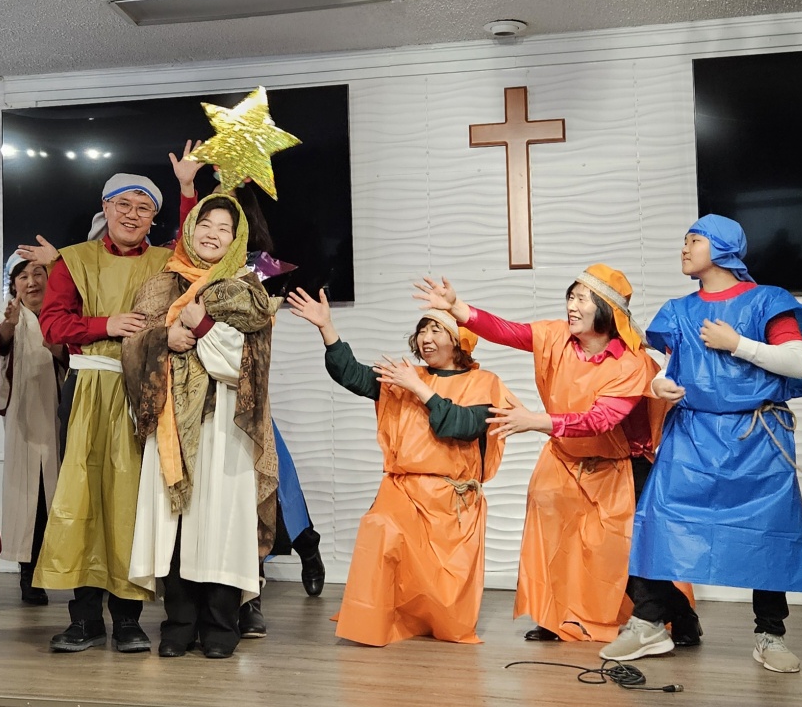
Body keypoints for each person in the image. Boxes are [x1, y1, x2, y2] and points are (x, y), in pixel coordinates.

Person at [602, 215, 802, 673]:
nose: (684, 248)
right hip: (692, 434)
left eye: (694, 240)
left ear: (723, 247)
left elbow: (798, 363)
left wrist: (737, 343)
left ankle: (770, 633)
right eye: (684, 240)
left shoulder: (767, 301)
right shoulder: (679, 311)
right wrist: (659, 385)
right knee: (660, 521)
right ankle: (648, 623)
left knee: (766, 532)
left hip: (756, 438)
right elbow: (672, 368)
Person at [416, 265, 673, 644]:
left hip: (618, 464)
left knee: (617, 550)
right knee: (552, 538)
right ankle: (555, 619)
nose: (572, 305)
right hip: (563, 457)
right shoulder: (556, 336)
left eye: (582, 299)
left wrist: (536, 421)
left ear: (606, 309)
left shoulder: (631, 362)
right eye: (571, 297)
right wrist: (458, 308)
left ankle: (677, 617)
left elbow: (600, 420)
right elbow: (509, 331)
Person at [287, 288, 511, 645]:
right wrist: (327, 327)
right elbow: (353, 375)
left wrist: (419, 388)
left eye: (436, 330)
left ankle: (431, 619)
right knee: (378, 527)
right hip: (403, 491)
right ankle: (372, 622)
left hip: (451, 499)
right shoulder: (406, 376)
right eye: (422, 330)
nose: (426, 338)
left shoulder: (485, 383)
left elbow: (460, 425)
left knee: (446, 607)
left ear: (460, 342)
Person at [122, 193, 278, 659]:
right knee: (177, 522)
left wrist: (204, 324)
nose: (213, 234)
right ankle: (179, 624)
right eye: (205, 224)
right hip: (172, 424)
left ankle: (220, 625)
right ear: (191, 229)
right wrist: (164, 337)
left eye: (224, 229)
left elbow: (246, 364)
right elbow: (132, 348)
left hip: (226, 425)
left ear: (236, 239)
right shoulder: (160, 286)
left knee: (222, 524)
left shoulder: (248, 290)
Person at [31, 173, 174, 653]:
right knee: (82, 495)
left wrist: (187, 189)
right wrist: (105, 324)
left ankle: (129, 618)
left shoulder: (165, 262)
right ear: (105, 207)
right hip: (87, 387)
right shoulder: (74, 260)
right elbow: (52, 325)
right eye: (123, 204)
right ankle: (85, 617)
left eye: (144, 208)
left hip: (143, 390)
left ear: (154, 218)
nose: (132, 215)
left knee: (132, 499)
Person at [0, 253, 67, 605]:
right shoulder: (9, 319)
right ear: (13, 284)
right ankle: (29, 574)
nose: (31, 282)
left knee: (68, 495)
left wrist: (58, 346)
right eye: (22, 276)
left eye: (38, 273)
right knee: (35, 501)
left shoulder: (62, 315)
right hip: (29, 421)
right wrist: (9, 326)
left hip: (68, 419)